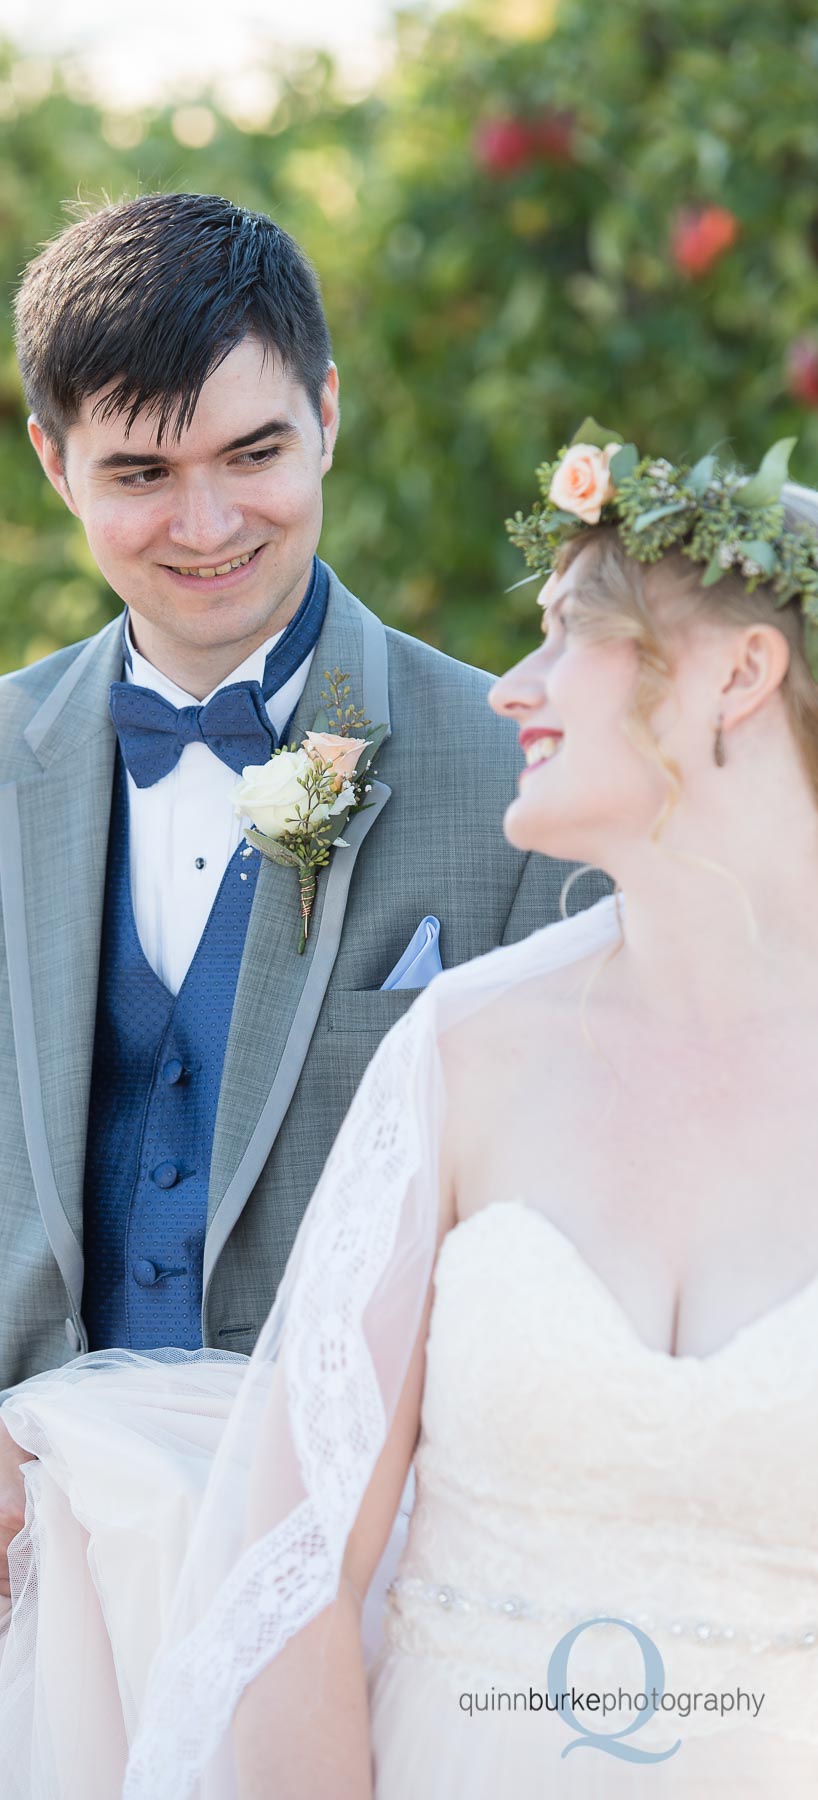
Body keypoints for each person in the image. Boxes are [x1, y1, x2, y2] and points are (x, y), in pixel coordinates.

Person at [0, 194, 587, 1790]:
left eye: (254, 453)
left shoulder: (515, 769)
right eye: (141, 474)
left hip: (370, 1590)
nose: (207, 520)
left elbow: (558, 1232)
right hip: (35, 1575)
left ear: (328, 415)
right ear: (51, 461)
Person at [124, 439, 818, 1798]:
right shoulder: (465, 1049)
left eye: (569, 635)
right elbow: (289, 1580)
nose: (512, 686)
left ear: (739, 673)